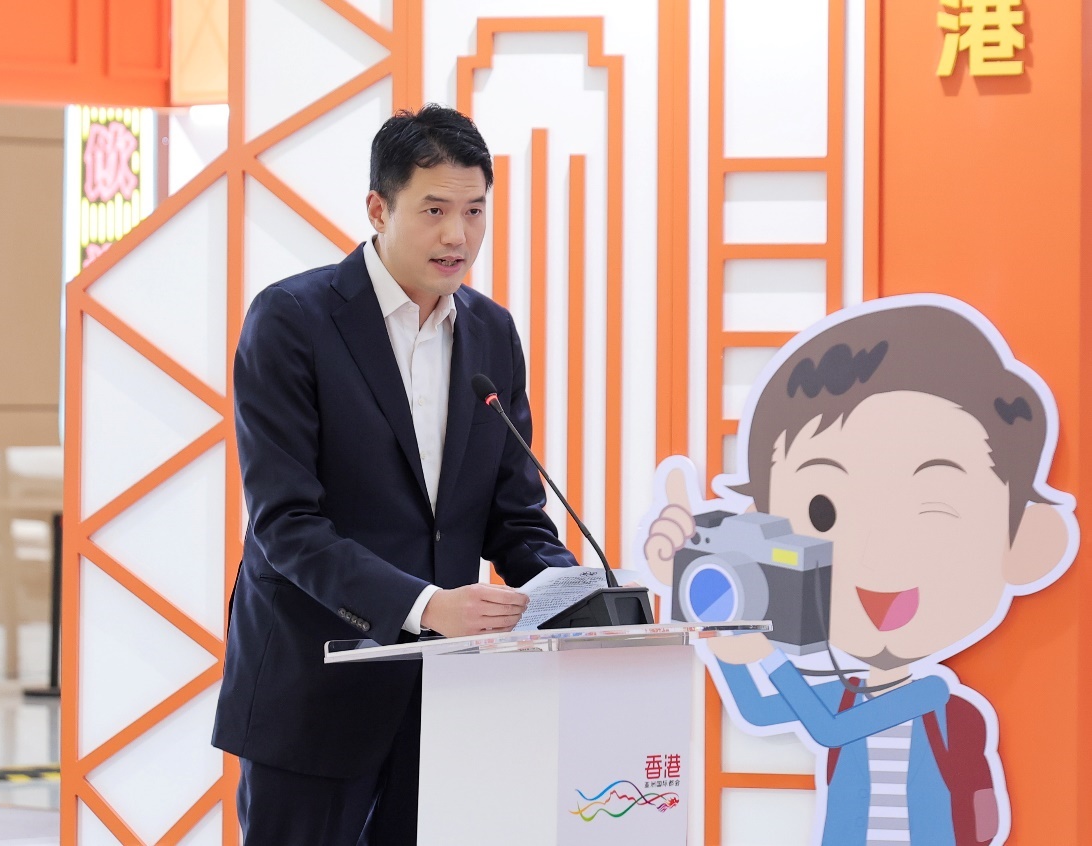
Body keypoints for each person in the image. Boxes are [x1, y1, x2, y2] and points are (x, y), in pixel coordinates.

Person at [212, 104, 578, 846]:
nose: (458, 236)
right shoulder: (292, 320)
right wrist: (426, 605)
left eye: (475, 211)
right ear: (378, 209)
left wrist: (581, 594)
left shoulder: (492, 333)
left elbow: (513, 515)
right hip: (315, 691)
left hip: (440, 705)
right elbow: (287, 524)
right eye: (435, 210)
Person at [641, 299, 1076, 845]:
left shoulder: (932, 695)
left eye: (933, 509)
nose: (874, 556)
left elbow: (829, 730)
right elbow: (756, 708)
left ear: (1026, 542)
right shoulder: (842, 689)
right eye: (822, 514)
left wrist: (764, 654)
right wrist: (713, 618)